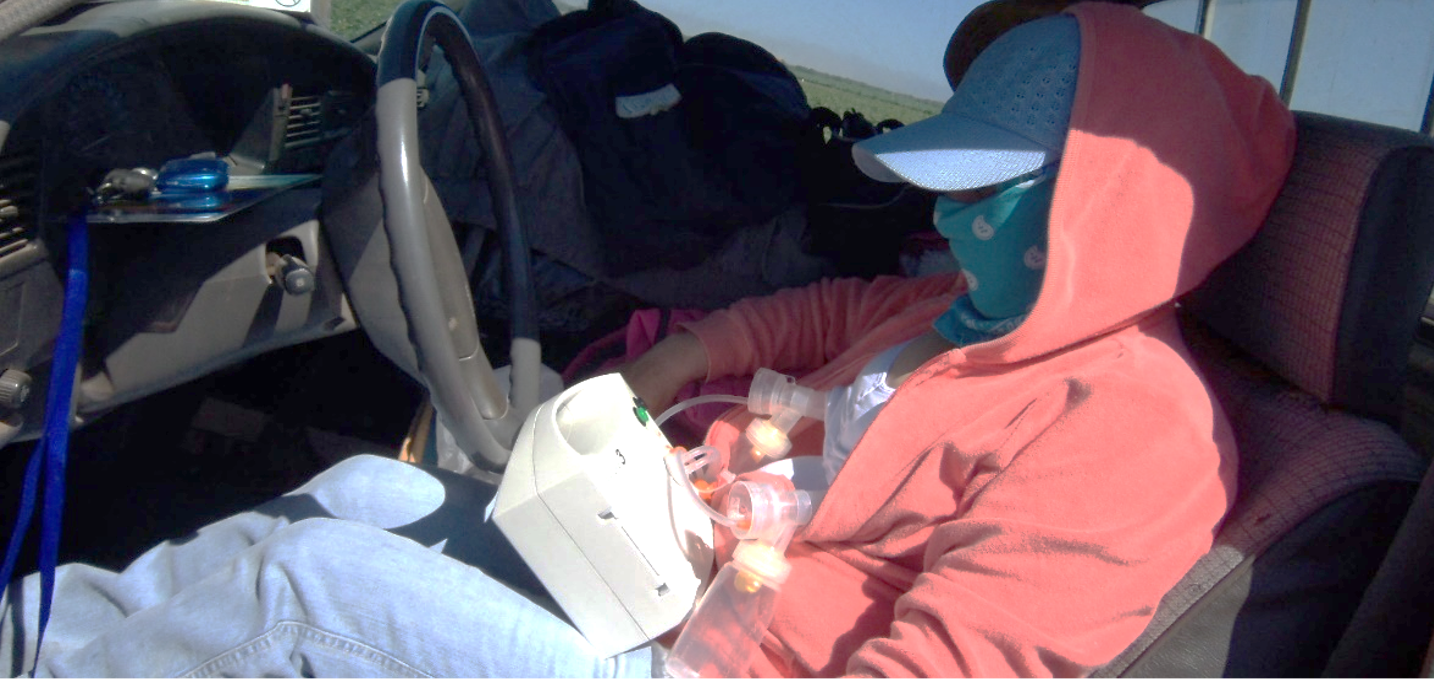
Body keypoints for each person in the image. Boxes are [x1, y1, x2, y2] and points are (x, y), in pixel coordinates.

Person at [0, 3, 1294, 677]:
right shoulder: (968, 312)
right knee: (357, 487)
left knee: (314, 588)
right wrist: (663, 371)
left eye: (984, 187)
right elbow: (814, 315)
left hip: (705, 662)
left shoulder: (1131, 432)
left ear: (1111, 212)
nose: (944, 216)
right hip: (670, 578)